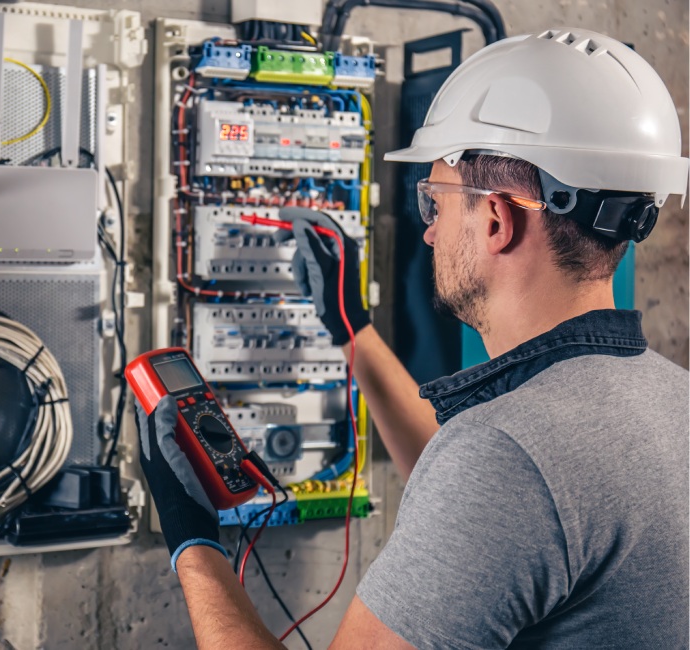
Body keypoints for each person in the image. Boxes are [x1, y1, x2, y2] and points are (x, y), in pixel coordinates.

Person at [136, 28, 689, 648]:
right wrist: (352, 330)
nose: (428, 233)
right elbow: (504, 510)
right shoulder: (671, 402)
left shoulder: (508, 460)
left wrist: (192, 540)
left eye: (436, 203)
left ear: (496, 219)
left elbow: (503, 484)